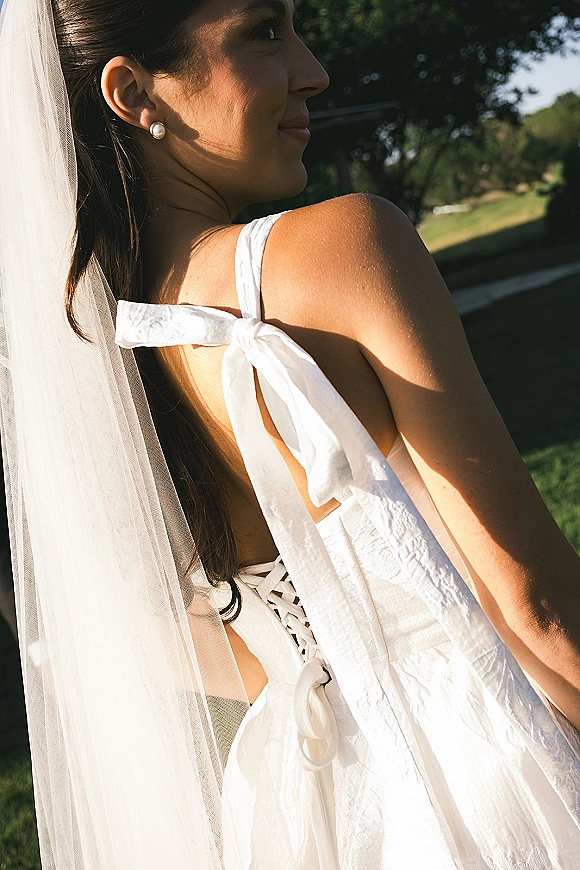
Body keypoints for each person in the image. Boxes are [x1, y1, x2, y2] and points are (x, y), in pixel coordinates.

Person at [1, 0, 580, 868]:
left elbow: (146, 637)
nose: (314, 70)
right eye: (264, 31)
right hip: (495, 761)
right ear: (132, 92)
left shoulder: (88, 371)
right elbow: (536, 608)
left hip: (307, 808)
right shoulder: (341, 246)